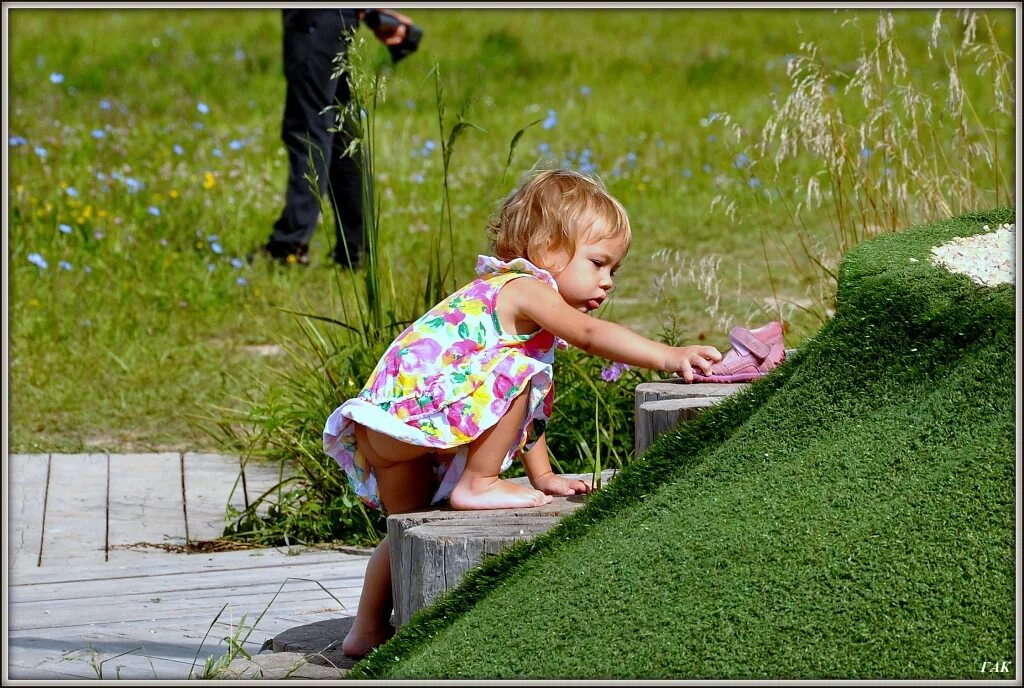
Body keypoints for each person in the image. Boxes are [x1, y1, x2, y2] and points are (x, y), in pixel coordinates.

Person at [322, 168, 723, 656]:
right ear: (548, 249)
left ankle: (365, 631)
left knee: (410, 527)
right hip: (413, 420)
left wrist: (544, 476)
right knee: (521, 370)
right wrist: (668, 355)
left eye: (613, 270)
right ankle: (479, 483)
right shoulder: (525, 289)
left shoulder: (505, 299)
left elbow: (523, 414)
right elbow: (589, 338)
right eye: (598, 263)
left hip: (387, 430)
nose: (607, 281)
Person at [261, 8, 417, 267]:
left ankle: (290, 246)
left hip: (313, 16)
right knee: (340, 128)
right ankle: (356, 250)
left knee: (309, 130)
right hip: (332, 16)